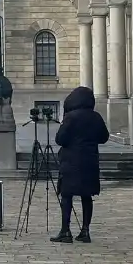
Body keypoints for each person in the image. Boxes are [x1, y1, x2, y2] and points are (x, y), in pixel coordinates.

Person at [52, 86, 109, 244]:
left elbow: (60, 139)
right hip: (89, 161)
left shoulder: (71, 117)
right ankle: (85, 230)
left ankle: (65, 230)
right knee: (86, 196)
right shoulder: (95, 116)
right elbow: (104, 137)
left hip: (71, 161)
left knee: (67, 196)